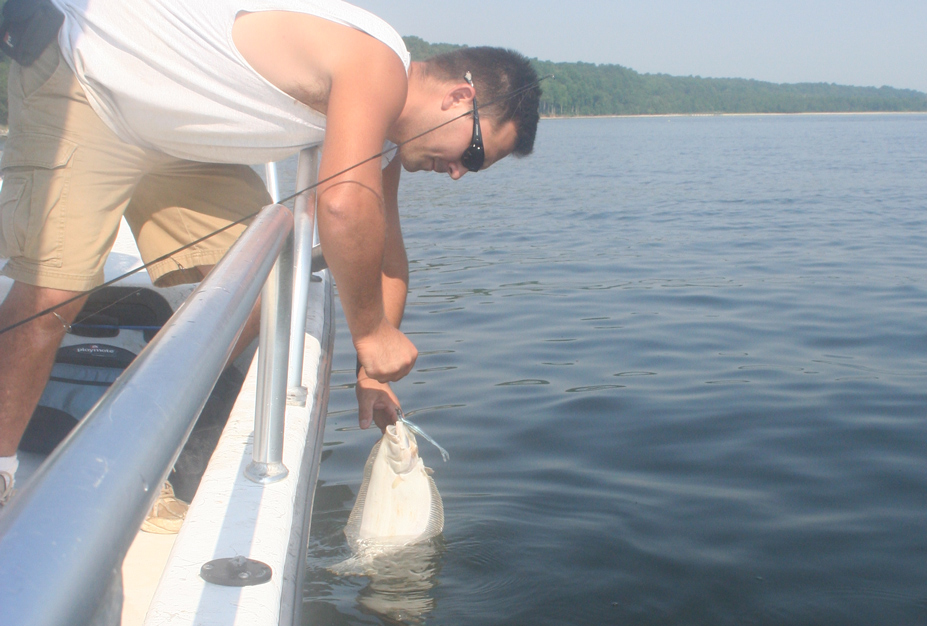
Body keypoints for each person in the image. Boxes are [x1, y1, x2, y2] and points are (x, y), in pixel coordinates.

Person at [0, 0, 542, 504]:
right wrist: (372, 334)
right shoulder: (377, 62)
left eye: (473, 168)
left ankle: (127, 419)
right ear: (459, 98)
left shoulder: (381, 129)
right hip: (92, 80)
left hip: (175, 135)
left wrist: (372, 373)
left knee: (262, 289)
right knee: (49, 299)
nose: (458, 173)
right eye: (473, 153)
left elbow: (385, 253)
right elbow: (342, 206)